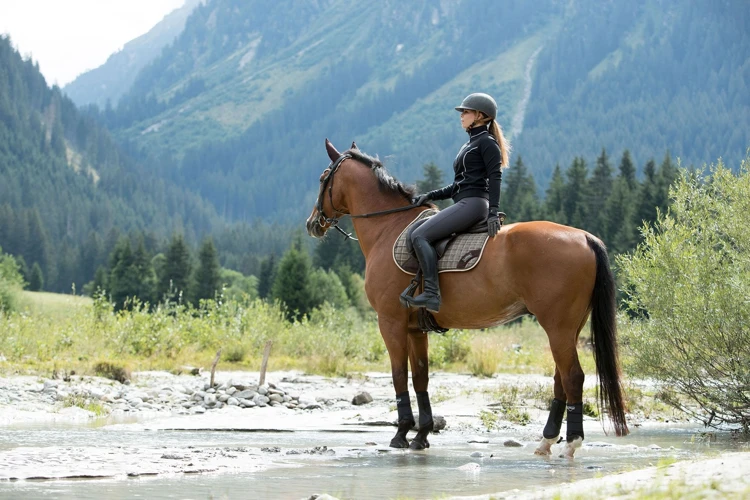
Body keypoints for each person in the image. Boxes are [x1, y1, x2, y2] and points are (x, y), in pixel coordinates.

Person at [403, 92, 511, 313]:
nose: (461, 115)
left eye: (466, 112)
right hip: (465, 201)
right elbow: (459, 186)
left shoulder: (487, 143)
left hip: (474, 205)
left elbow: (495, 177)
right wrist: (430, 195)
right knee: (417, 232)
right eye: (462, 112)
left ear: (480, 116)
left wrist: (493, 212)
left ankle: (432, 293)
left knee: (419, 235)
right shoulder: (469, 144)